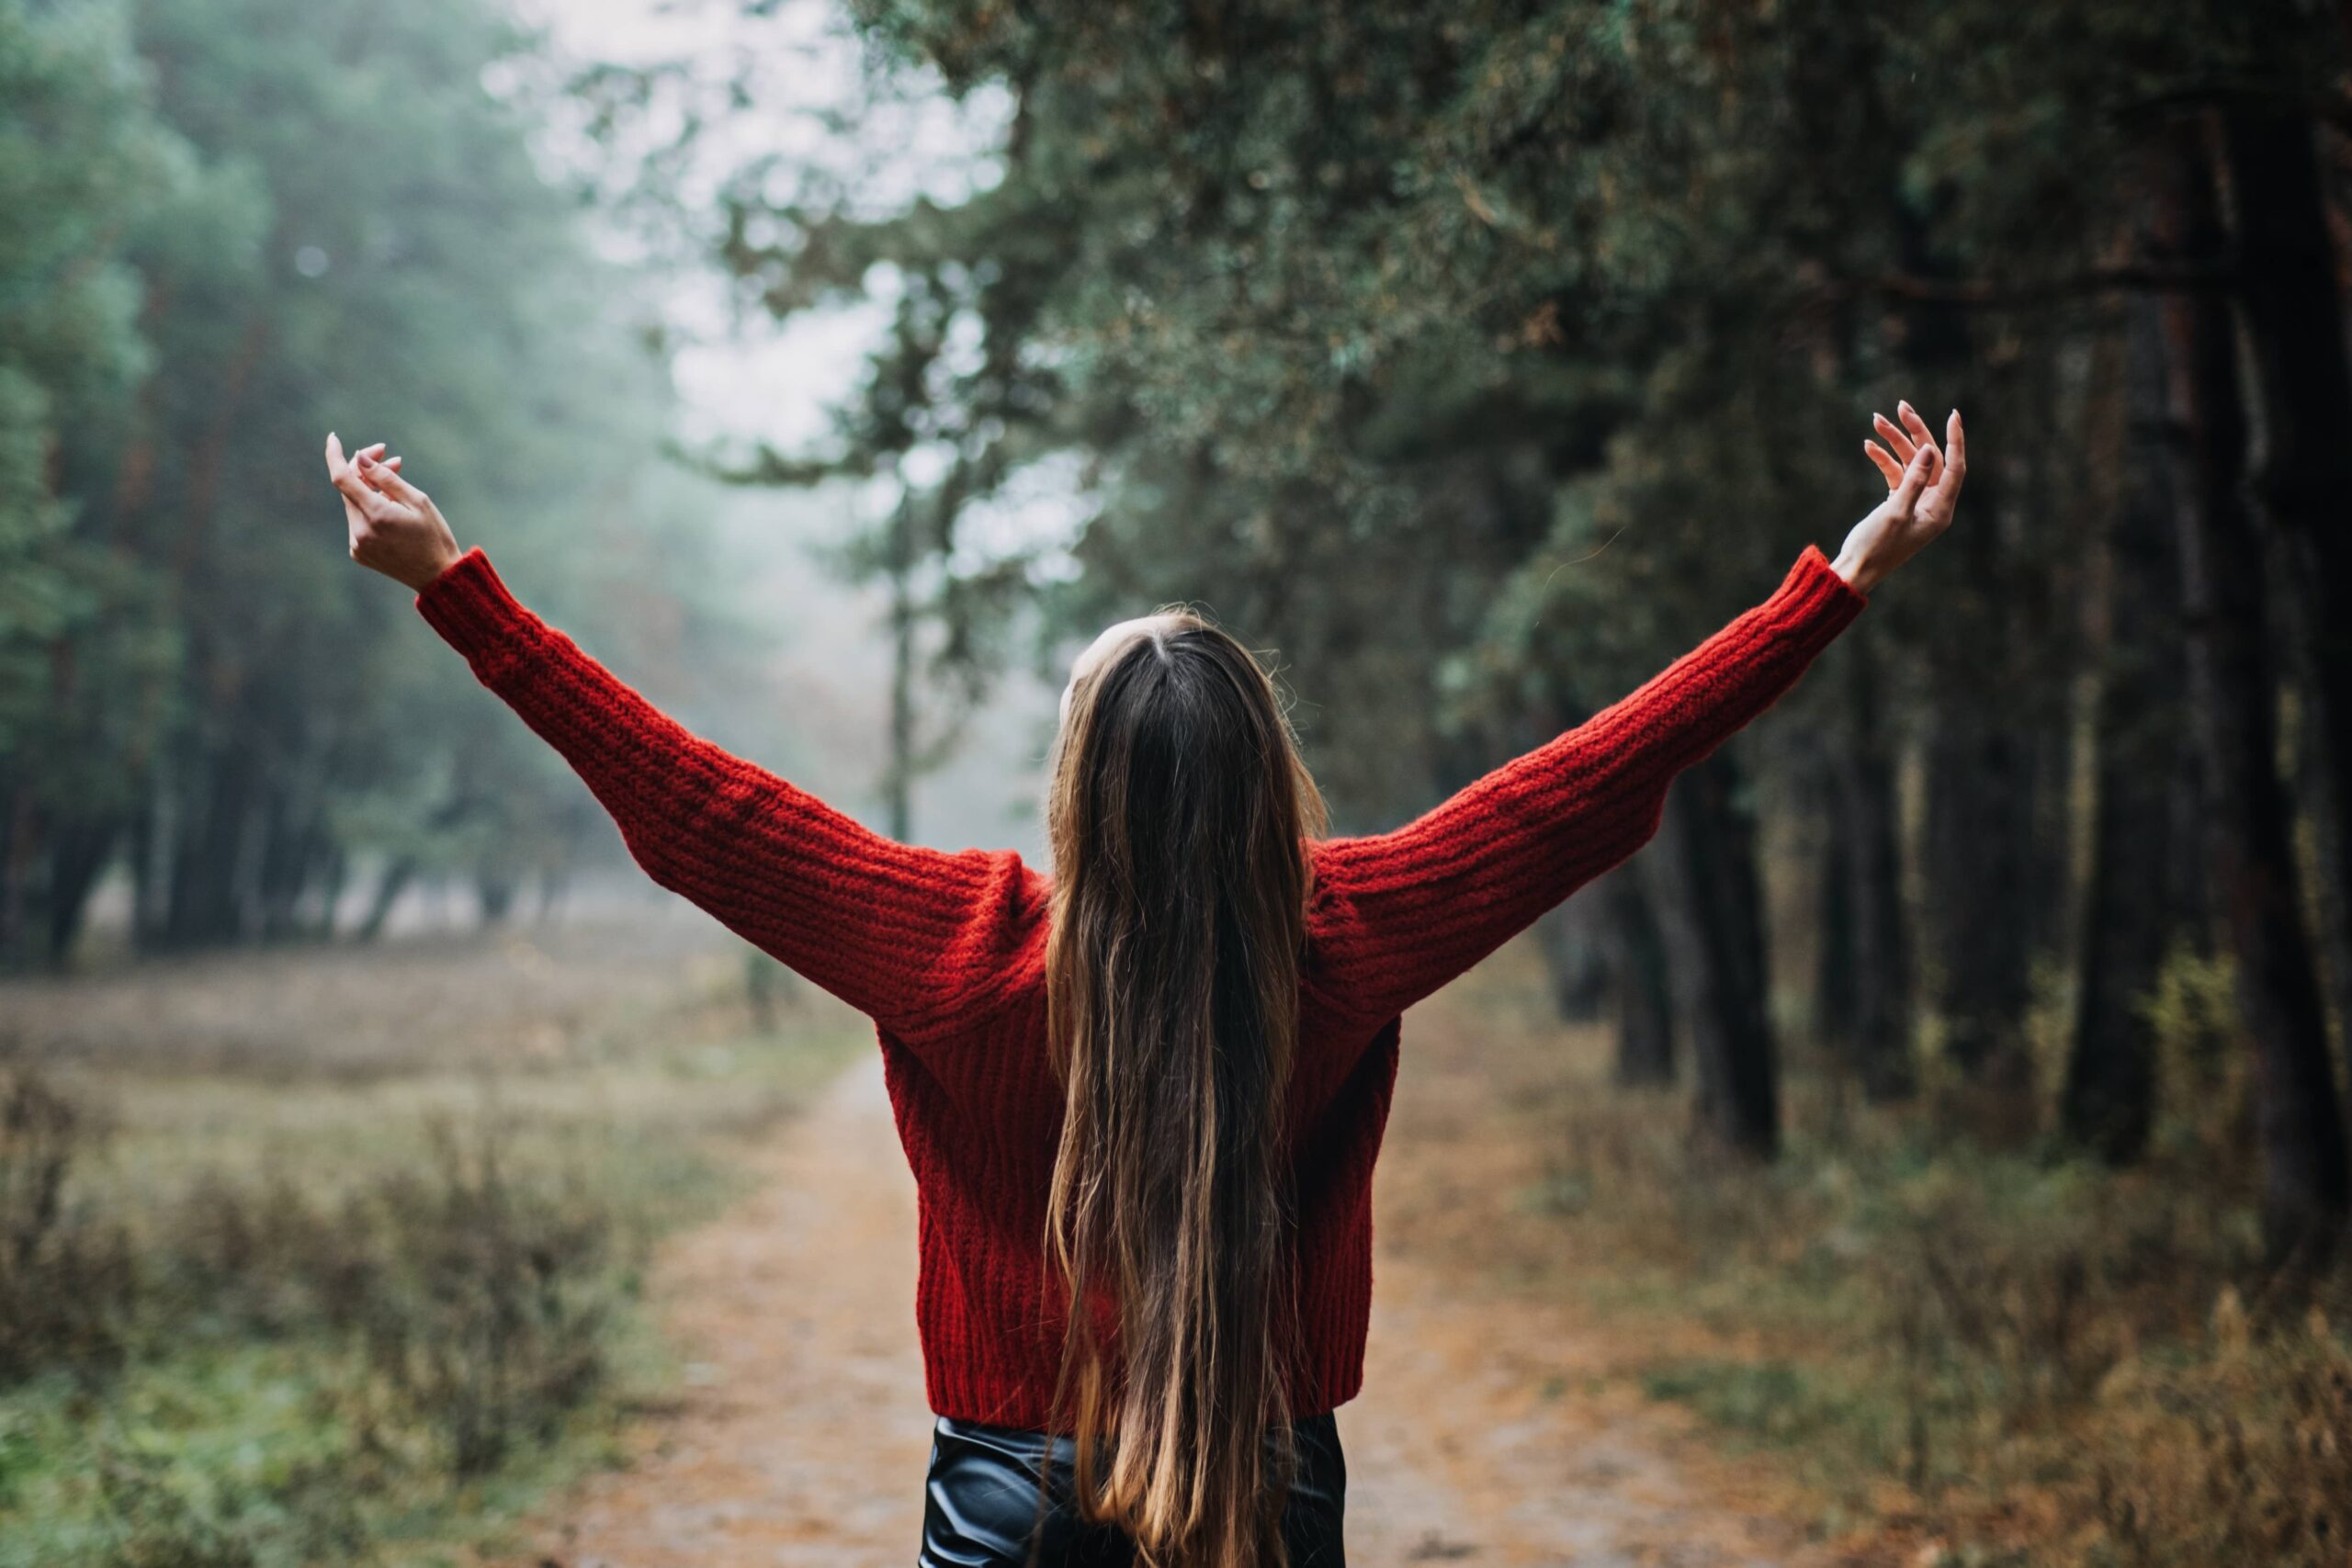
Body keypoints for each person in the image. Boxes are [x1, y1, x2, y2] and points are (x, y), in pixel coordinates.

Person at [322, 401, 1965, 1568]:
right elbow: (1582, 783)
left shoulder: (956, 950)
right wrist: (1835, 587)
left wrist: (461, 590)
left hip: (1010, 1497)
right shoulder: (1342, 934)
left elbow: (696, 807)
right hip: (1268, 1490)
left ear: (1075, 786)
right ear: (1267, 783)